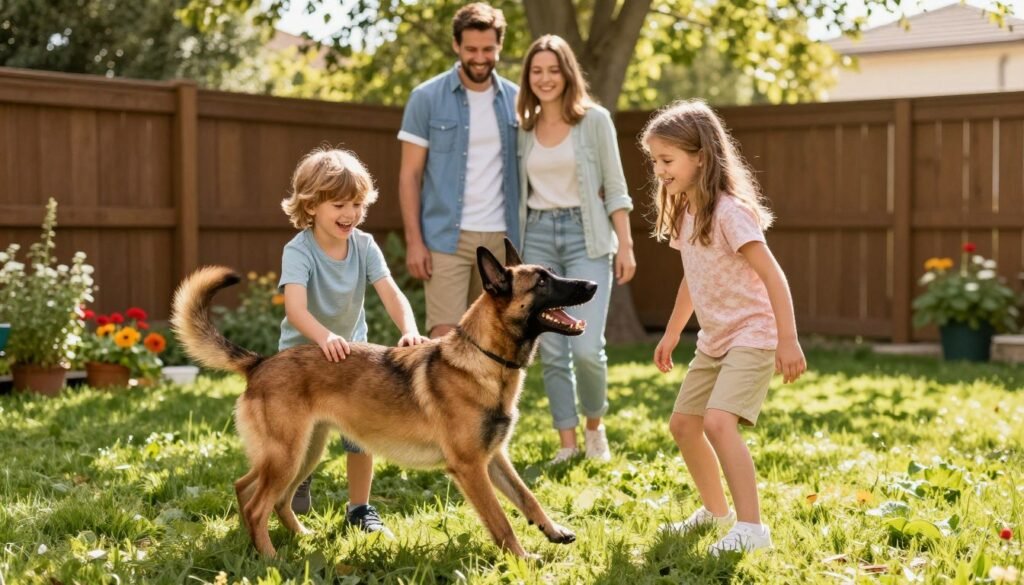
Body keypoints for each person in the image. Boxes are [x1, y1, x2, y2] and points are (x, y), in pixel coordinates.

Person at [643, 99, 806, 554]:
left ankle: (753, 530)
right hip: (714, 340)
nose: (659, 170)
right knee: (683, 425)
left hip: (753, 334)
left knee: (717, 422)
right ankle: (717, 513)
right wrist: (673, 332)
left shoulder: (730, 212)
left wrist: (787, 340)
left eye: (667, 160)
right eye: (655, 160)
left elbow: (773, 275)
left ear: (700, 157)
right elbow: (693, 279)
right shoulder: (685, 209)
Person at [278, 147, 429, 535]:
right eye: (339, 204)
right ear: (310, 206)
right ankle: (298, 476)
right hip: (303, 362)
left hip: (352, 358)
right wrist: (324, 337)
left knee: (360, 434)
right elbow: (295, 310)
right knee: (304, 442)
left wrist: (409, 329)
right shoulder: (298, 250)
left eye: (358, 204)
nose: (350, 214)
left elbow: (392, 292)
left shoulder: (363, 245)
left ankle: (360, 509)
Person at [515, 35, 635, 464]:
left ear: (568, 73)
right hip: (539, 239)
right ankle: (567, 443)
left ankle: (594, 427)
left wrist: (626, 244)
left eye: (553, 69)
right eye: (537, 71)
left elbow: (616, 187)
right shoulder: (523, 129)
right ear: (528, 78)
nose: (545, 79)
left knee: (586, 347)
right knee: (550, 348)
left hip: (588, 236)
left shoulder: (595, 121)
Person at [398, 2, 520, 337]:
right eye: (471, 49)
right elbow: (409, 175)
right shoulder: (426, 98)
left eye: (488, 49)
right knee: (443, 337)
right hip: (445, 238)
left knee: (497, 336)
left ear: (499, 46)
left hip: (503, 237)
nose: (479, 57)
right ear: (456, 46)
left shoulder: (518, 100)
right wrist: (414, 242)